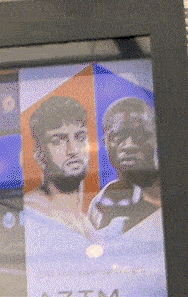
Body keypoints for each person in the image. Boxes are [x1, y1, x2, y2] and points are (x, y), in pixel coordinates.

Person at [23, 95, 96, 239]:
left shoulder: (87, 225)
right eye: (57, 141)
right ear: (39, 155)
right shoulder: (30, 212)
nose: (73, 150)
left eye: (80, 137)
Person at [88, 97, 161, 235]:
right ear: (106, 143)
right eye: (118, 137)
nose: (129, 146)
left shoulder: (175, 190)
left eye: (139, 135)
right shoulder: (99, 203)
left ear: (156, 139)